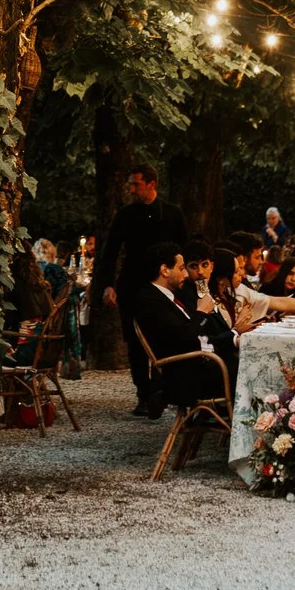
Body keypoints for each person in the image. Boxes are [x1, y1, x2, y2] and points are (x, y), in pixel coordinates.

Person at [91, 167, 188, 414]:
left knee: (163, 336)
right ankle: (143, 393)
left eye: (136, 184)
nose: (132, 189)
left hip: (164, 284)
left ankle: (160, 390)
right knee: (134, 340)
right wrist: (107, 285)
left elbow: (182, 249)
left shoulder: (172, 214)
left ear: (151, 184)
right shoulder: (125, 215)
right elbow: (110, 251)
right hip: (132, 283)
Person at [127, 249, 235, 413]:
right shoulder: (150, 300)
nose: (185, 274)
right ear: (164, 270)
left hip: (197, 364)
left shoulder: (167, 296)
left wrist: (233, 339)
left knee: (246, 358)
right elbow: (184, 338)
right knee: (248, 370)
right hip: (186, 377)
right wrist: (201, 313)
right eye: (181, 268)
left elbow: (194, 338)